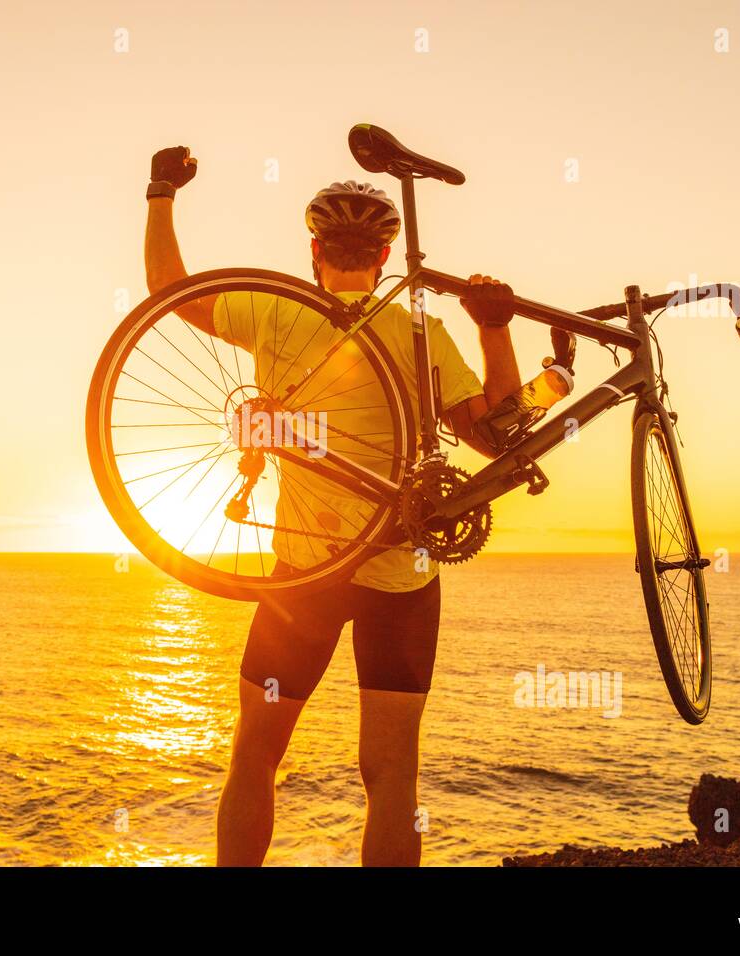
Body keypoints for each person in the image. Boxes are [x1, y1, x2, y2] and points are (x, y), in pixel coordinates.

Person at [142, 146, 523, 866]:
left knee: (256, 755)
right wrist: (493, 328)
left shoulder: (275, 314)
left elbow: (167, 287)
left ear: (313, 251)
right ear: (384, 255)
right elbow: (496, 434)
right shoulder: (422, 333)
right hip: (401, 579)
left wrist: (162, 193)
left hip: (305, 576)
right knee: (391, 777)